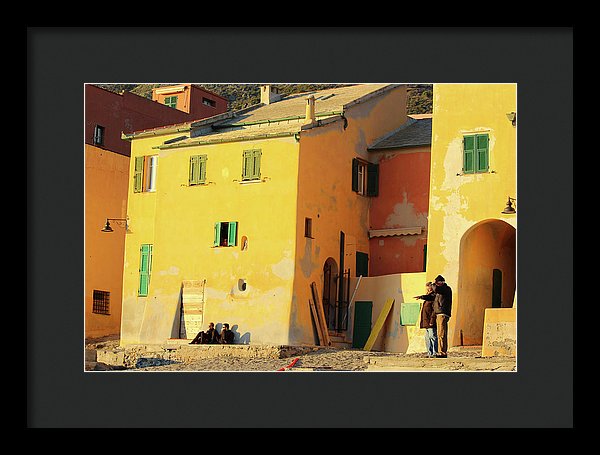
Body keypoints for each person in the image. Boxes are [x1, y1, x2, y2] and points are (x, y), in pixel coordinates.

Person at [414, 282, 438, 357]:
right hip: (426, 321)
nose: (428, 289)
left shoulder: (433, 297)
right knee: (427, 338)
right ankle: (429, 353)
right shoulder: (427, 298)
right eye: (427, 288)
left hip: (430, 321)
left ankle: (435, 352)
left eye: (429, 288)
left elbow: (434, 311)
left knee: (433, 337)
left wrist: (432, 321)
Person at [431, 275, 452, 358]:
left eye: (437, 282)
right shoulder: (441, 290)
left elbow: (435, 289)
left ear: (441, 282)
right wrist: (422, 297)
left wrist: (433, 284)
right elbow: (432, 296)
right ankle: (442, 351)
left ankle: (442, 352)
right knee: (441, 333)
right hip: (439, 313)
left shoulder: (445, 289)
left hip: (442, 313)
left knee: (441, 334)